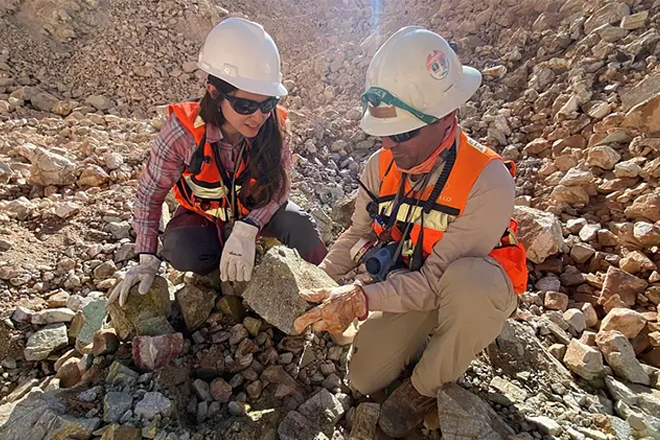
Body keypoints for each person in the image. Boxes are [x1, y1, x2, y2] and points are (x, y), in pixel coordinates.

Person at [294, 26, 528, 437]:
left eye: (402, 132)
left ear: (446, 116)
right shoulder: (380, 166)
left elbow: (438, 279)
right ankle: (427, 338)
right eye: (383, 132)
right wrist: (315, 285)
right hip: (410, 282)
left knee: (472, 284)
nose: (389, 144)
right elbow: (355, 235)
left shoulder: (486, 180)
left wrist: (361, 299)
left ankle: (426, 384)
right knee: (365, 379)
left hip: (461, 287)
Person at [109, 18, 327, 306]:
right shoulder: (182, 133)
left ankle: (328, 286)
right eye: (246, 105)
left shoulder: (277, 126)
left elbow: (279, 188)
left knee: (299, 225)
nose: (258, 116)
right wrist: (147, 256)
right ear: (214, 92)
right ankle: (220, 270)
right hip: (206, 217)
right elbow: (150, 193)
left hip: (256, 215)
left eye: (267, 104)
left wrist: (250, 227)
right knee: (181, 249)